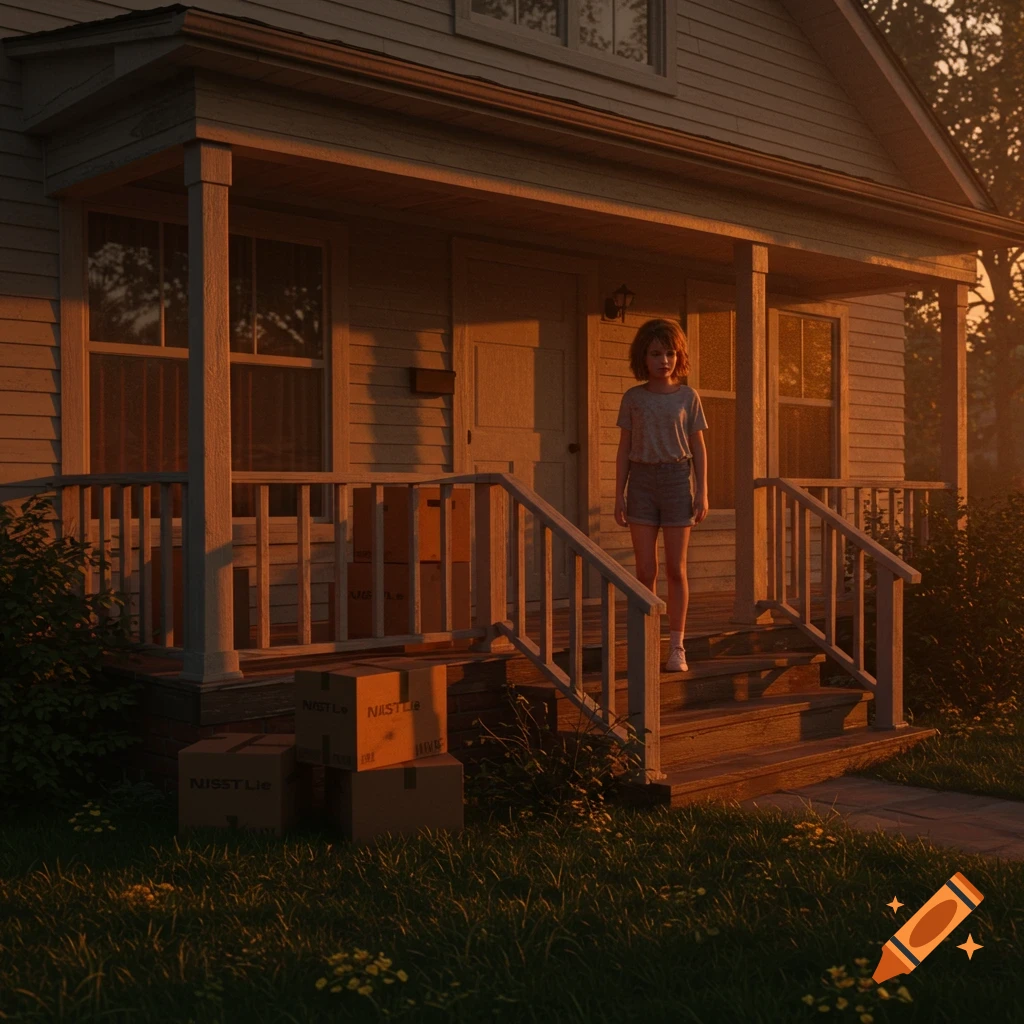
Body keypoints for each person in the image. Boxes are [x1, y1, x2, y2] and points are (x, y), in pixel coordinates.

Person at [614, 319, 709, 673]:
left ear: (678, 356)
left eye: (670, 353)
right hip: (640, 481)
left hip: (675, 481)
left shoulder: (688, 397)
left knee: (675, 568)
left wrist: (702, 492)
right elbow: (624, 448)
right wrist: (619, 494)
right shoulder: (634, 398)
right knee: (644, 569)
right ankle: (645, 642)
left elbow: (699, 448)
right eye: (656, 353)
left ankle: (677, 646)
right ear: (644, 357)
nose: (664, 360)